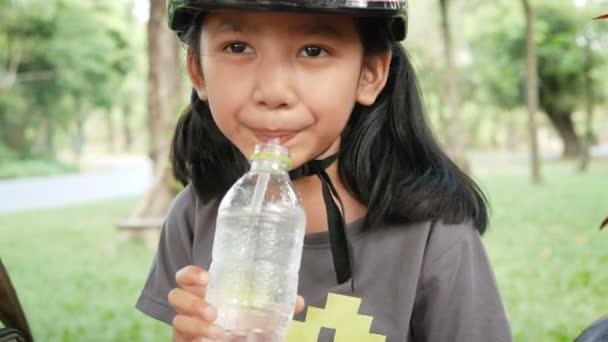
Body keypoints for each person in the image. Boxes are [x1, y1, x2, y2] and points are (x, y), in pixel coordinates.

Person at [136, 1, 512, 341]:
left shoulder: (435, 232)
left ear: (369, 74)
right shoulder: (195, 216)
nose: (273, 90)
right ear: (197, 71)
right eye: (238, 47)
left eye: (313, 51)